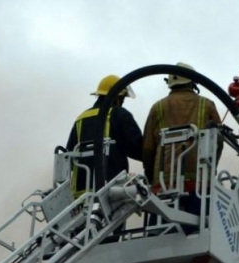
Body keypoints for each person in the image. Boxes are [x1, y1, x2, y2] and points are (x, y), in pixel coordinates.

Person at [141, 62, 223, 218]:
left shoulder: (157, 107)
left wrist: (152, 178)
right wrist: (211, 169)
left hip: (163, 186)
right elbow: (218, 142)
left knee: (159, 231)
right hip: (198, 185)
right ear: (193, 82)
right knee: (200, 228)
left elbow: (147, 149)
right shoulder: (206, 105)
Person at [66, 74, 143, 198]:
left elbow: (69, 158)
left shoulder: (81, 118)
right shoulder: (119, 114)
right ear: (117, 97)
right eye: (122, 98)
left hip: (81, 195)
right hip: (112, 191)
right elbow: (137, 149)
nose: (122, 102)